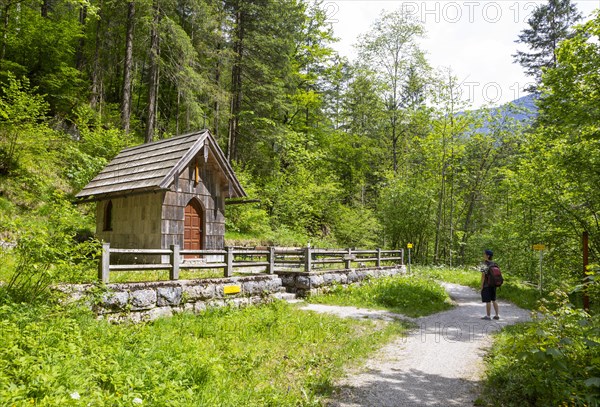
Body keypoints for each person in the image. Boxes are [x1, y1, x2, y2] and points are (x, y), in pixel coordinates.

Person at [480, 249, 499, 320]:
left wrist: (481, 285)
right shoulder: (494, 263)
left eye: (484, 254)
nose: (483, 255)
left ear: (488, 256)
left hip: (487, 285)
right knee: (494, 299)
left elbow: (483, 276)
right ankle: (497, 315)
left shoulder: (484, 264)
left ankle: (488, 316)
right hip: (494, 284)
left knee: (488, 301)